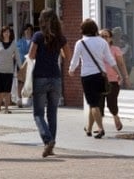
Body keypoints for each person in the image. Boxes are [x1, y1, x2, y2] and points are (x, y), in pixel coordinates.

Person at [69, 18, 121, 139]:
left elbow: (75, 60)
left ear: (83, 30)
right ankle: (89, 128)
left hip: (87, 76)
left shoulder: (80, 43)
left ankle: (101, 128)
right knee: (94, 103)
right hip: (100, 75)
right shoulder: (102, 42)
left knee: (93, 104)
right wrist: (118, 72)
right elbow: (110, 59)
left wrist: (71, 70)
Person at [28, 9, 70, 158]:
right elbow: (67, 55)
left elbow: (32, 55)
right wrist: (57, 51)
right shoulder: (61, 38)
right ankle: (51, 146)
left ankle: (48, 140)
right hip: (56, 77)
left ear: (42, 21)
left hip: (40, 76)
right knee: (52, 113)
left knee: (38, 113)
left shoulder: (38, 36)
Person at [99, 28, 130, 131]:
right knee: (99, 104)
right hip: (99, 80)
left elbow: (121, 64)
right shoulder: (95, 49)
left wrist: (125, 77)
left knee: (111, 103)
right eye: (101, 36)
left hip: (112, 80)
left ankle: (116, 116)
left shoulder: (115, 49)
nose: (103, 38)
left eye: (105, 36)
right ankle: (100, 127)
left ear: (110, 38)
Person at [0, 25, 17, 113]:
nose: (6, 33)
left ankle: (6, 108)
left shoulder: (13, 43)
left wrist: (21, 66)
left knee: (7, 90)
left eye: (8, 32)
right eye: (5, 32)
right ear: (2, 33)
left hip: (9, 69)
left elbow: (17, 55)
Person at [16, 23, 33, 107]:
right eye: (26, 30)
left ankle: (29, 98)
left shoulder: (34, 41)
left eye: (29, 30)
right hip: (21, 64)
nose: (28, 32)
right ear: (24, 31)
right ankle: (19, 99)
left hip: (31, 64)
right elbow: (16, 53)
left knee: (30, 81)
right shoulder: (19, 42)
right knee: (21, 81)